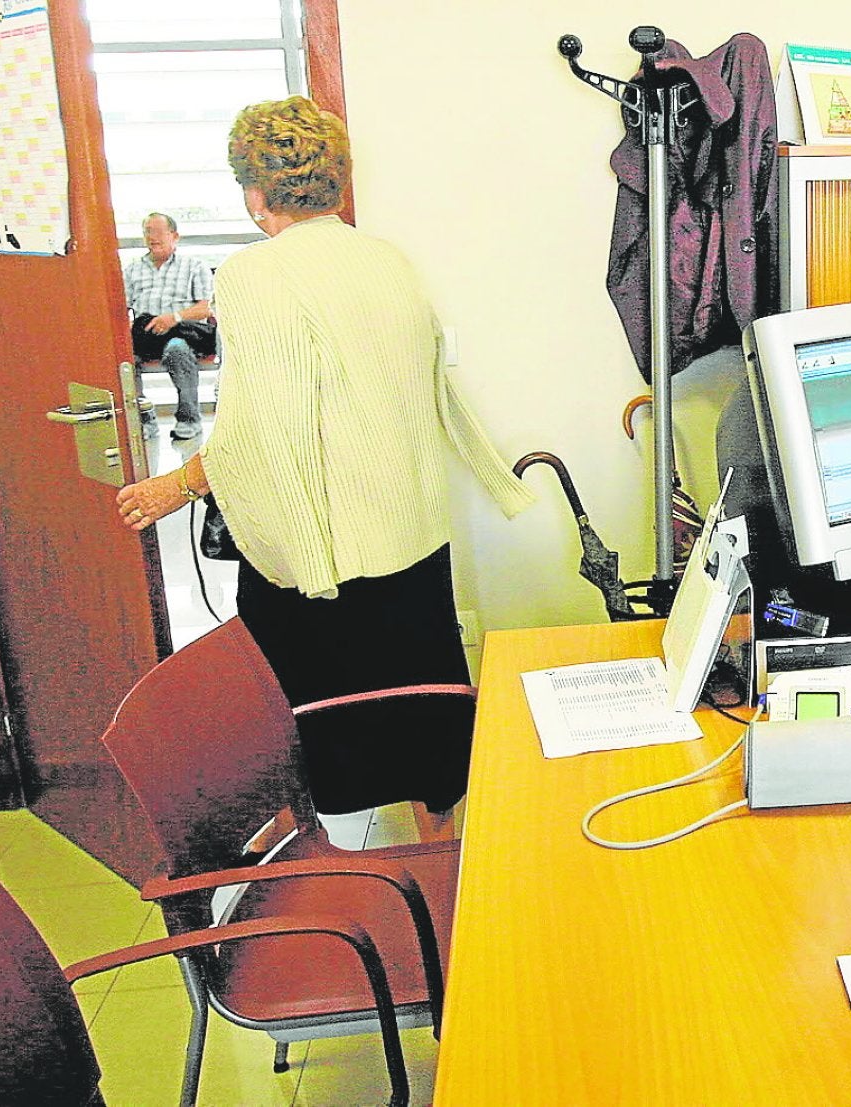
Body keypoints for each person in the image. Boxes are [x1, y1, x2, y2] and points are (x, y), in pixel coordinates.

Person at [114, 97, 536, 839]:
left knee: (292, 723)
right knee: (426, 726)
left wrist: (173, 486)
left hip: (328, 561)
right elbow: (421, 386)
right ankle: (452, 890)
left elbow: (259, 431)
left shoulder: (253, 276)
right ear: (337, 180)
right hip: (410, 537)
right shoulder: (385, 258)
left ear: (253, 193)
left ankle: (317, 867)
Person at [122, 213, 214, 440]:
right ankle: (144, 418)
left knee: (177, 349)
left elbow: (206, 309)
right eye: (147, 232)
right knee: (123, 358)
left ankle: (189, 418)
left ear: (174, 236)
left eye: (158, 231)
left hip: (183, 332)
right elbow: (120, 309)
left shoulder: (194, 267)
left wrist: (173, 317)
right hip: (147, 334)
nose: (152, 237)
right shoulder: (133, 269)